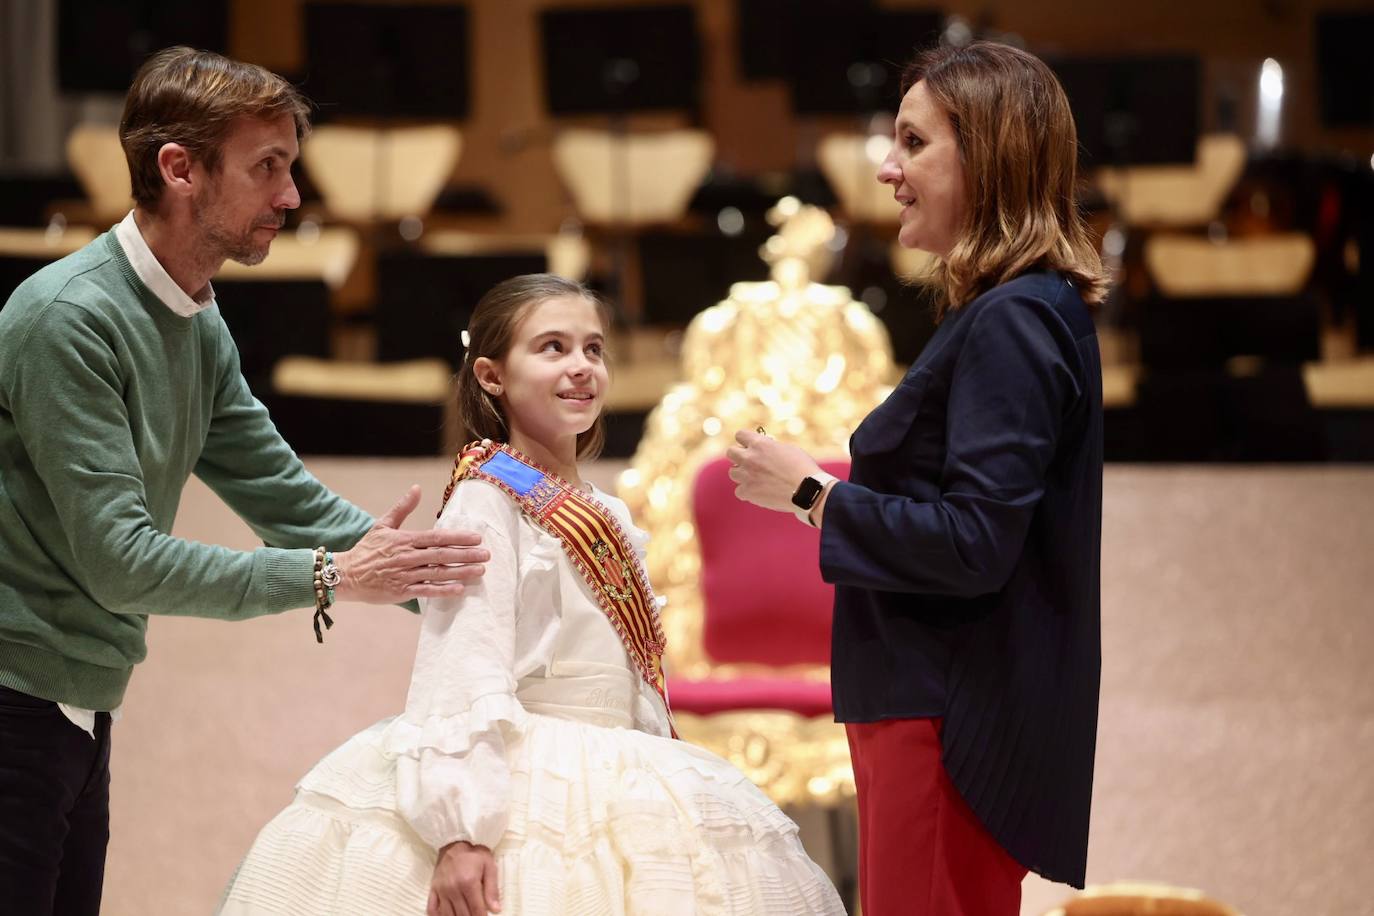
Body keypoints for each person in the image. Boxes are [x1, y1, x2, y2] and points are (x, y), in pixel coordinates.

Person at [0, 47, 487, 916]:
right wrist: (331, 576)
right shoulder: (67, 318)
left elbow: (282, 495)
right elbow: (120, 562)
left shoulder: (193, 314)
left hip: (74, 701)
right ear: (179, 170)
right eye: (268, 168)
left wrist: (451, 591)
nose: (292, 197)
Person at [218, 274, 846, 916]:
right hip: (521, 778)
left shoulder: (605, 508)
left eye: (594, 349)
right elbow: (463, 660)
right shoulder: (487, 494)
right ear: (492, 375)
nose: (581, 368)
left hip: (625, 773)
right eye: (552, 347)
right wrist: (463, 829)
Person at [727, 41, 1106, 916]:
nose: (888, 169)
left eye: (914, 142)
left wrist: (810, 493)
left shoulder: (1014, 321)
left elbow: (975, 544)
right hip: (930, 709)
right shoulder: (1013, 311)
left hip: (945, 723)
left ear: (989, 155)